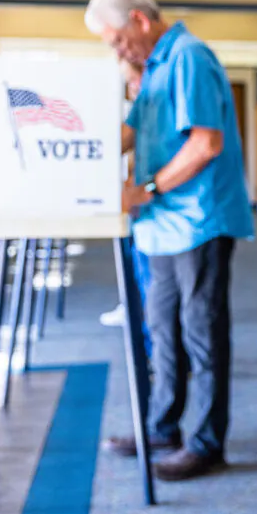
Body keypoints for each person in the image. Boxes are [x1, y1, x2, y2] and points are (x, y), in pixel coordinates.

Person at [85, 0, 253, 481]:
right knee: (162, 332)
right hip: (160, 227)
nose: (117, 51)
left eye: (116, 40)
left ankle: (206, 442)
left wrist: (146, 188)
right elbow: (130, 130)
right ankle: (162, 426)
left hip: (198, 220)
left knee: (201, 334)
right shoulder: (154, 67)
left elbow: (205, 144)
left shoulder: (189, 56)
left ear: (139, 20)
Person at [100, 59, 153, 357]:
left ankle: (150, 347)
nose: (134, 89)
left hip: (148, 204)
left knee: (149, 283)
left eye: (136, 81)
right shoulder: (138, 113)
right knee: (140, 273)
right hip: (137, 207)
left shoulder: (150, 112)